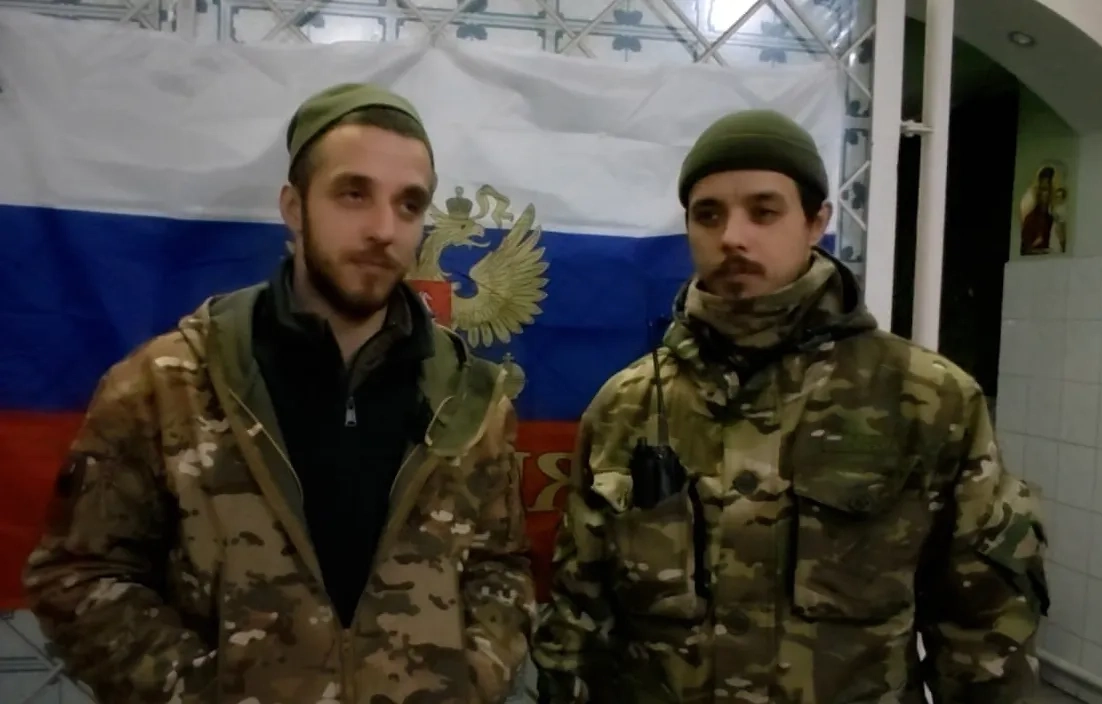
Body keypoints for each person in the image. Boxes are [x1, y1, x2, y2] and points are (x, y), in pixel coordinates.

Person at [23, 83, 536, 703]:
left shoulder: (471, 400)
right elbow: (79, 575)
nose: (384, 229)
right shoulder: (168, 383)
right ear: (294, 207)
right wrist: (202, 692)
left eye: (408, 204)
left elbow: (500, 568)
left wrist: (468, 683)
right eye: (353, 194)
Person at [531, 109, 1049, 703]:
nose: (733, 236)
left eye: (764, 211)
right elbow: (577, 619)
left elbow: (985, 632)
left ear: (816, 222)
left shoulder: (926, 399)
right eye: (709, 215)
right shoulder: (628, 405)